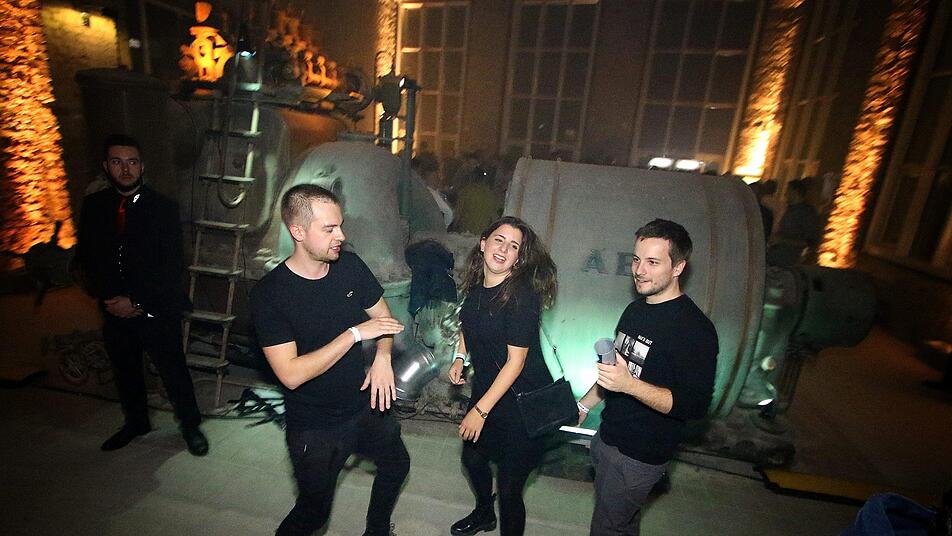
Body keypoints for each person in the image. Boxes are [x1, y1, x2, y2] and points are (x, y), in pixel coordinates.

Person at [250, 184, 410, 536]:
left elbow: (384, 320)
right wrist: (353, 334)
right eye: (330, 229)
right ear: (298, 231)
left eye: (340, 225)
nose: (342, 235)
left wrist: (383, 356)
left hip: (363, 406)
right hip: (315, 426)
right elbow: (290, 374)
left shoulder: (349, 267)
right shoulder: (270, 295)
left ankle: (377, 531)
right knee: (312, 515)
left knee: (397, 464)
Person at [576, 219, 718, 536]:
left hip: (639, 458)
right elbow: (614, 372)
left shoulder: (695, 330)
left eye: (653, 262)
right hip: (607, 439)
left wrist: (630, 385)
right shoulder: (635, 311)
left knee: (606, 528)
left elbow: (695, 406)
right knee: (623, 525)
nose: (639, 271)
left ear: (678, 267)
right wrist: (584, 406)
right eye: (637, 259)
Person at [74, 134, 208, 455]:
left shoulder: (163, 208)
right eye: (117, 162)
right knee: (125, 369)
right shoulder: (94, 207)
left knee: (173, 370)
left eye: (132, 162)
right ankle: (136, 422)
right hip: (113, 308)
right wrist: (107, 298)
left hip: (155, 308)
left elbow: (171, 265)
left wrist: (136, 302)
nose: (125, 169)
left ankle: (191, 427)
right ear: (106, 166)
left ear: (142, 166)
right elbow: (87, 258)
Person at [447, 216, 558, 536]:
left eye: (513, 246)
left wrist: (480, 411)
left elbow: (515, 362)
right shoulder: (476, 285)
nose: (503, 249)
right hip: (489, 389)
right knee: (472, 459)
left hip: (521, 403)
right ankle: (484, 513)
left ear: (518, 258)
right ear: (483, 243)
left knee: (510, 489)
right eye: (499, 240)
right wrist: (459, 356)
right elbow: (469, 321)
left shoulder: (522, 297)